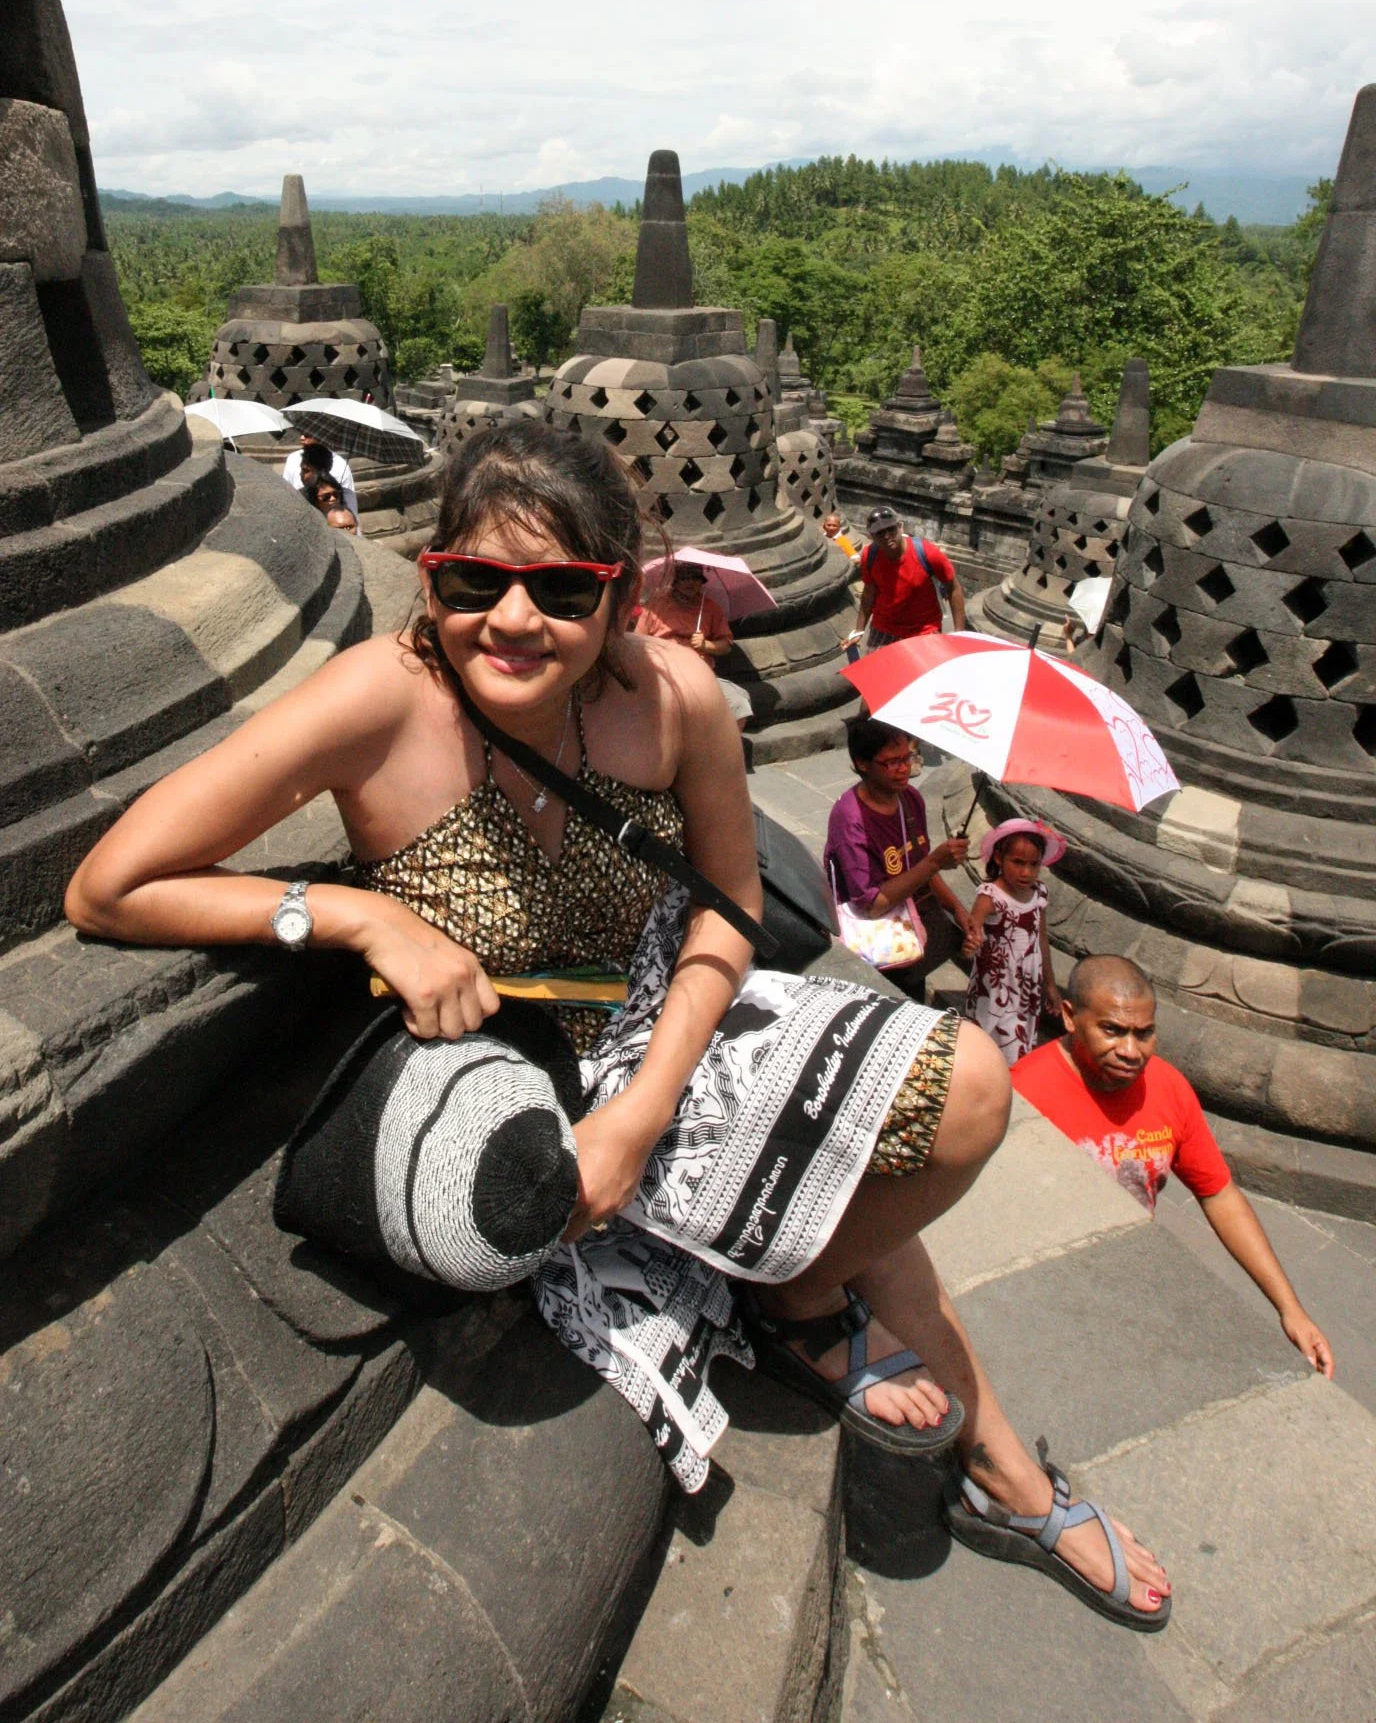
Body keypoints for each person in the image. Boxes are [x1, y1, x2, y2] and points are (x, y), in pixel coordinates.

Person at [66, 424, 1170, 1628]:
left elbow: (728, 914)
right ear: (430, 579)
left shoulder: (672, 699)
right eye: (473, 582)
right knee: (521, 1220)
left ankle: (827, 1313)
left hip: (665, 1032)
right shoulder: (380, 699)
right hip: (509, 1069)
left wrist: (642, 1114)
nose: (510, 620)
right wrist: (351, 916)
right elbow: (110, 888)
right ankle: (968, 1438)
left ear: (617, 597)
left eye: (560, 591)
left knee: (965, 1089)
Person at [1014, 955, 1334, 1378]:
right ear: (1071, 1018)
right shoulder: (1023, 1092)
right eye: (1112, 1030)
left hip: (1130, 1291)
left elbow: (1219, 1195)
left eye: (1144, 1033)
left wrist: (1290, 1309)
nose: (1131, 1051)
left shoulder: (1169, 1088)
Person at [824, 718, 971, 1002]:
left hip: (908, 936)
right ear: (862, 763)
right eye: (892, 762)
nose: (905, 769)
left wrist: (957, 909)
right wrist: (935, 862)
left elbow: (919, 865)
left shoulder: (910, 799)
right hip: (874, 944)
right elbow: (873, 904)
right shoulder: (851, 820)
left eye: (909, 757)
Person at [963, 819, 1064, 1063]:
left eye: (1033, 864)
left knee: (1019, 1046)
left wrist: (1050, 985)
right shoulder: (990, 897)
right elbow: (971, 935)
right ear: (999, 858)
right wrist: (970, 946)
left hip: (1026, 987)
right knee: (993, 1047)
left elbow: (1041, 939)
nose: (1026, 872)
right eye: (1018, 863)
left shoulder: (1039, 893)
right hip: (996, 989)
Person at [633, 560, 751, 729]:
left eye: (695, 578)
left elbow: (725, 645)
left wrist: (705, 645)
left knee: (738, 703)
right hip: (665, 673)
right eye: (684, 578)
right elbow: (637, 642)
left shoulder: (710, 608)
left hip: (700, 675)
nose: (690, 583)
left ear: (702, 581)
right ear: (675, 582)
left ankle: (726, 745)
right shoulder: (655, 606)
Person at [857, 507, 966, 648]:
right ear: (871, 536)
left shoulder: (927, 553)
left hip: (924, 629)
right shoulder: (869, 556)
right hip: (884, 627)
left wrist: (959, 632)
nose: (887, 536)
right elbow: (869, 593)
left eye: (891, 529)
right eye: (880, 533)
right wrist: (858, 630)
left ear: (900, 527)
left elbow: (953, 588)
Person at [283, 438, 359, 521]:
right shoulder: (297, 498)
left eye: (306, 470)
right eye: (326, 497)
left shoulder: (346, 494)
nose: (333, 499)